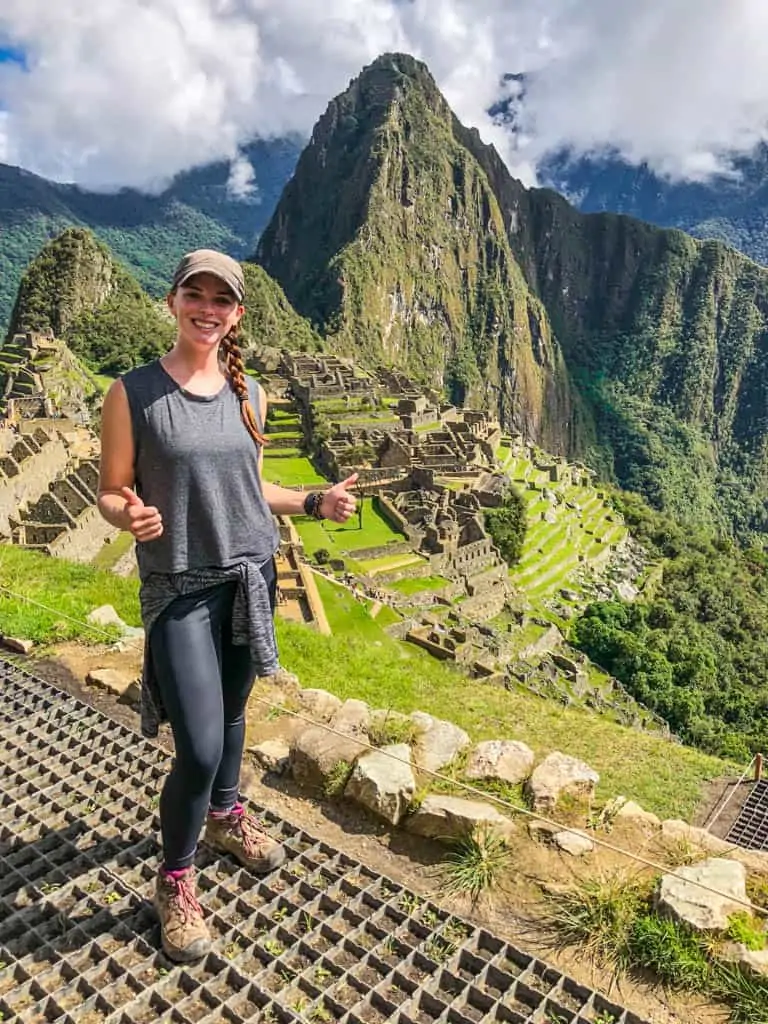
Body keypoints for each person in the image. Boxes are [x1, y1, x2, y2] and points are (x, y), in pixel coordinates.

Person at [97, 249, 357, 963]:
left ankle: (225, 815)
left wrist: (313, 501)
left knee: (235, 715)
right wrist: (130, 515)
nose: (207, 308)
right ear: (173, 300)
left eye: (222, 299)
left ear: (237, 313)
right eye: (195, 294)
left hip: (250, 573)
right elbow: (112, 488)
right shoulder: (133, 394)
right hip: (180, 585)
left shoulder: (252, 395)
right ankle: (173, 880)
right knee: (200, 744)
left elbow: (250, 488)